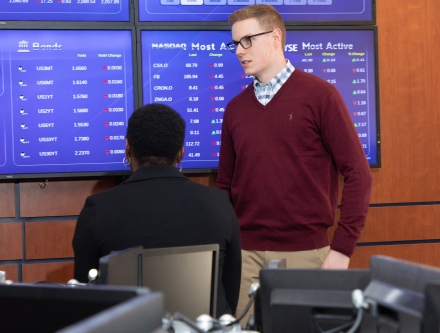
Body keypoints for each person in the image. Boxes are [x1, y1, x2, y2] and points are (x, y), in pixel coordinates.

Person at [216, 4, 373, 321]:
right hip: (244, 257)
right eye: (235, 43)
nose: (239, 51)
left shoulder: (321, 96)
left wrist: (342, 249)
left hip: (306, 255)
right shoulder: (234, 109)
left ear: (275, 37)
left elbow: (358, 174)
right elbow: (224, 187)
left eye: (247, 40)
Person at [73, 103, 242, 316]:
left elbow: (82, 296)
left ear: (127, 147)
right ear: (181, 153)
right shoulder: (219, 203)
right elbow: (229, 296)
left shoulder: (98, 209)